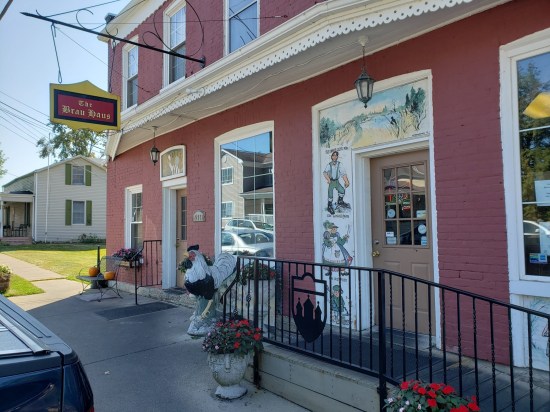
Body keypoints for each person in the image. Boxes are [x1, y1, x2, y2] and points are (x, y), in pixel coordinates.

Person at [323, 151, 350, 215]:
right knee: (330, 193)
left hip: (336, 181)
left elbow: (343, 173)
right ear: (331, 157)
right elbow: (324, 173)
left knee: (342, 190)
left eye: (336, 155)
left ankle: (340, 201)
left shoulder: (339, 164)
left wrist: (346, 181)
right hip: (331, 181)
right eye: (333, 155)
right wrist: (328, 179)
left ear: (337, 157)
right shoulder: (329, 165)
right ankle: (329, 206)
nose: (335, 157)